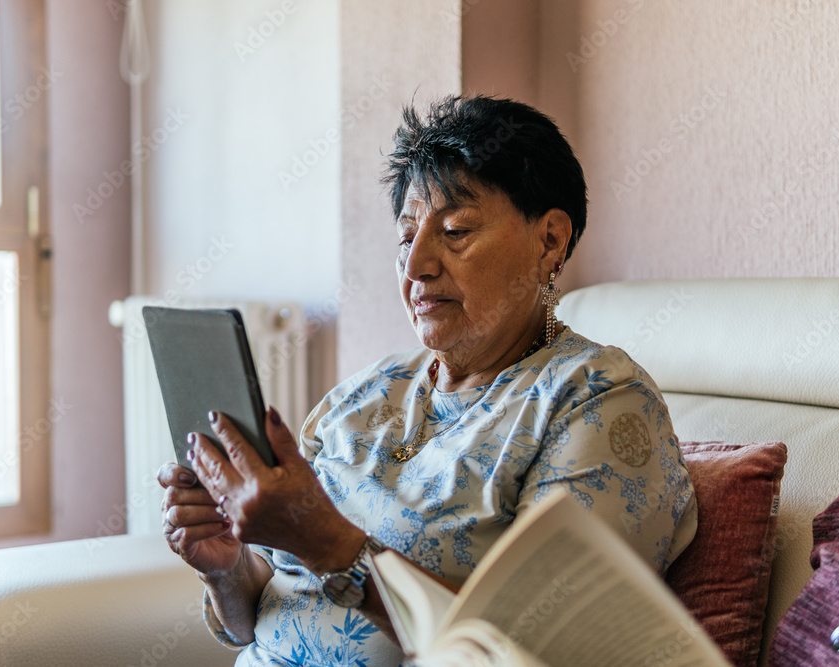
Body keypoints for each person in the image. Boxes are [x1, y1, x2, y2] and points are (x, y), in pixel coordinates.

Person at [158, 95, 698, 666]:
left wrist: (324, 541)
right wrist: (226, 568)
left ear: (551, 241)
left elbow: (544, 654)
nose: (417, 265)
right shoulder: (363, 395)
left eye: (456, 230)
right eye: (406, 236)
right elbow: (260, 611)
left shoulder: (597, 401)